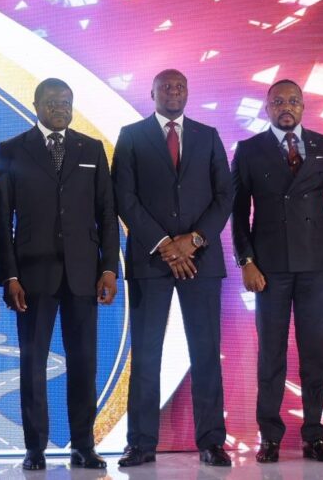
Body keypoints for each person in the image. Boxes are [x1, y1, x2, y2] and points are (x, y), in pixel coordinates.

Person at [0, 78, 119, 470]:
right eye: (52, 102)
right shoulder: (12, 150)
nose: (60, 107)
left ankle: (84, 445)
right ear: (35, 105)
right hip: (32, 278)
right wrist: (9, 275)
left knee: (84, 364)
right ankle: (35, 448)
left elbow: (107, 214)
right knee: (33, 365)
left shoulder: (91, 149)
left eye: (66, 101)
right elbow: (2, 220)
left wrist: (110, 268)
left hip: (84, 276)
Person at [111, 69, 233, 468]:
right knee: (146, 354)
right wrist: (165, 244)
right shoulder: (131, 136)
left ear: (188, 92)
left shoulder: (208, 136)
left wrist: (192, 241)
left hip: (201, 260)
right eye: (166, 87)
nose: (173, 91)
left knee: (205, 352)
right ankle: (140, 444)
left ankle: (212, 441)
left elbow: (224, 196)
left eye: (180, 86)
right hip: (151, 260)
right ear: (152, 92)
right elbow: (124, 198)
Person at [231, 79, 323, 463]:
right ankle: (270, 436)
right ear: (266, 108)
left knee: (315, 354)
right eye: (278, 101)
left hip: (316, 266)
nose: (286, 107)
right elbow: (237, 213)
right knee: (271, 354)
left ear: (303, 107)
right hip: (269, 269)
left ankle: (314, 435)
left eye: (293, 101)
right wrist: (246, 261)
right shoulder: (249, 150)